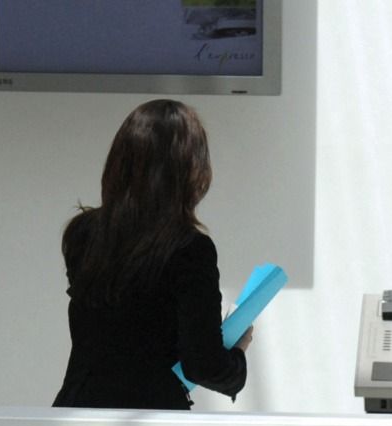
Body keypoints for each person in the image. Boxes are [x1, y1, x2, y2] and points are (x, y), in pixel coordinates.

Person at [54, 99, 250, 410]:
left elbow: (113, 335)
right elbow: (203, 364)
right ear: (191, 171)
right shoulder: (191, 250)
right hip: (152, 420)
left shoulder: (82, 234)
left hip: (78, 412)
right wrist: (237, 357)